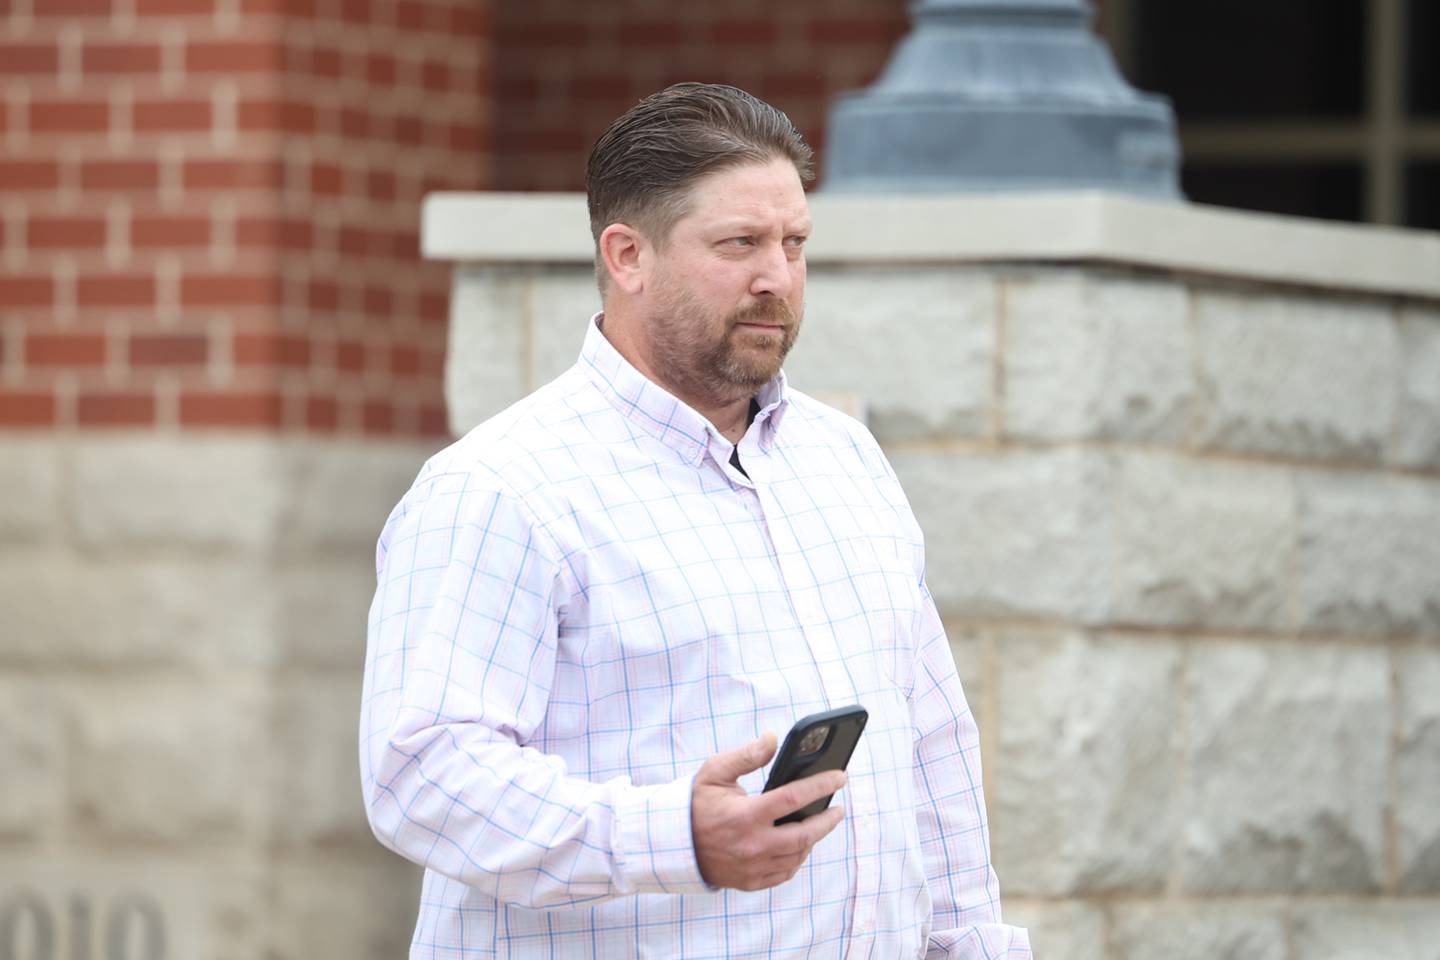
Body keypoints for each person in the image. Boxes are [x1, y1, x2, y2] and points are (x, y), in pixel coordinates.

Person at [360, 82, 1031, 959]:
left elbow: (931, 745)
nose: (777, 278)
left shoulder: (846, 460)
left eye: (794, 244)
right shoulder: (498, 489)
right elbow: (424, 775)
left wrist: (973, 946)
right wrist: (672, 836)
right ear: (628, 255)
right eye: (739, 244)